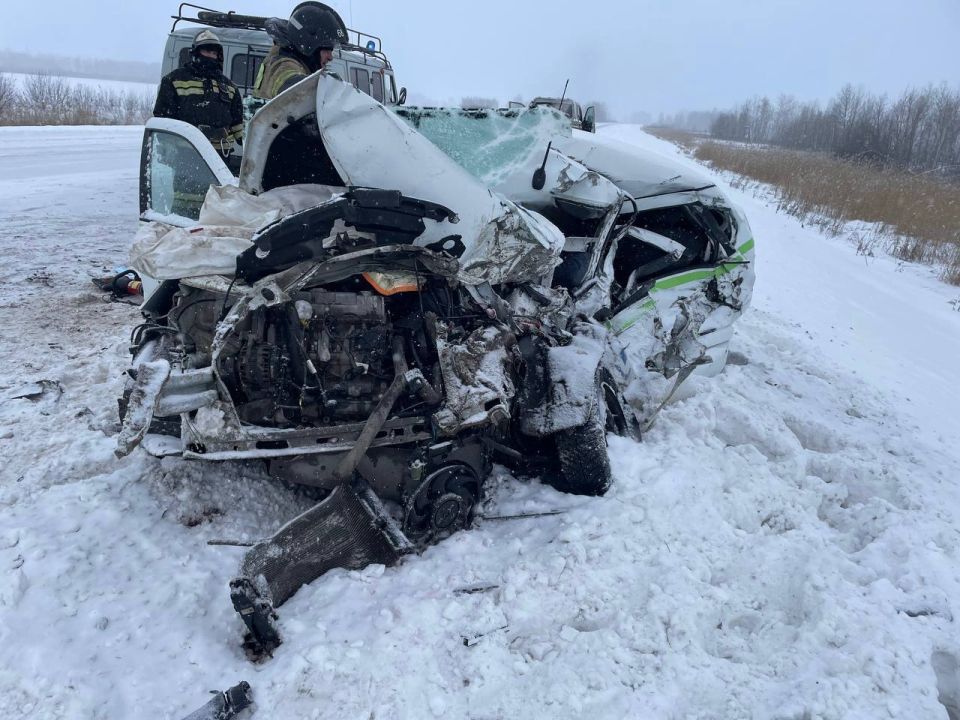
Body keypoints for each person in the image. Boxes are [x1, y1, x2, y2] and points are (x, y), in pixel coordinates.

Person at [153, 29, 244, 158]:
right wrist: (169, 149)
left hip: (220, 155)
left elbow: (238, 124)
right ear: (196, 52)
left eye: (214, 52)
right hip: (186, 152)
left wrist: (251, 146)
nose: (210, 56)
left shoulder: (230, 87)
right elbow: (163, 119)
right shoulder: (173, 80)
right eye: (206, 51)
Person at [253, 2, 348, 101]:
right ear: (308, 45)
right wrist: (329, 87)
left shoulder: (292, 61)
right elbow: (293, 86)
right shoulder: (283, 65)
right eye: (326, 49)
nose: (330, 57)